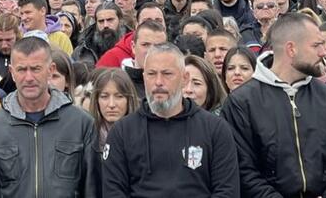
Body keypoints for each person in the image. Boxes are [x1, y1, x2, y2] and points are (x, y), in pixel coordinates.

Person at [221, 12, 326, 197]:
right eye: (316, 45)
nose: (323, 52)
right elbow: (242, 171)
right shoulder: (241, 103)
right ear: (291, 49)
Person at [102, 43, 240, 198]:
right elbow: (113, 192)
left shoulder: (215, 129)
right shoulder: (122, 132)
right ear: (143, 77)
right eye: (151, 74)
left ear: (184, 78)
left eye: (167, 74)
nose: (158, 82)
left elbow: (227, 191)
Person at [0, 36, 97, 197]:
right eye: (22, 69)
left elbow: (92, 189)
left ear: (50, 70)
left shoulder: (81, 123)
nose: (29, 77)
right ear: (12, 72)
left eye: (36, 69)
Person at [89, 67, 138, 148]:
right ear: (96, 100)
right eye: (104, 97)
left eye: (119, 96)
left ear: (129, 99)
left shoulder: (143, 134)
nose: (111, 104)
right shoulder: (86, 135)